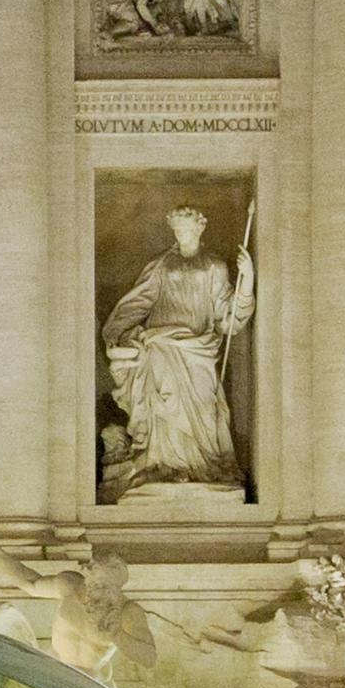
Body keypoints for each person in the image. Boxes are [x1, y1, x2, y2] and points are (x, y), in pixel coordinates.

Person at [101, 206, 253, 488]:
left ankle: (204, 465)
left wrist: (248, 280)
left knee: (206, 408)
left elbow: (229, 318)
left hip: (199, 348)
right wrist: (116, 332)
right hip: (160, 343)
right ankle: (163, 465)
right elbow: (139, 300)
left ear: (200, 227)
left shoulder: (214, 266)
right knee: (164, 404)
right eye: (177, 229)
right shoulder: (162, 264)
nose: (181, 234)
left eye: (186, 228)